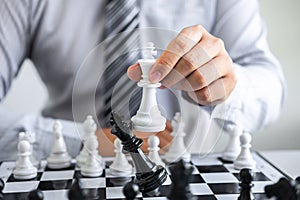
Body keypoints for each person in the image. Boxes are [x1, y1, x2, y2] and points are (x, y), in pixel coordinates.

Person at [0, 0, 285, 161]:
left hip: (182, 167)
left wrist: (227, 86)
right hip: (68, 169)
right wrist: (87, 142)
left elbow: (270, 88)